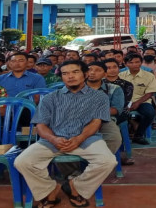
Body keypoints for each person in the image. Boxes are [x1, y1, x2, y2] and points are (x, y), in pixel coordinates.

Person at [14, 60, 116, 208]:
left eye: (75, 72)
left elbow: (96, 123)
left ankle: (74, 186)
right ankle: (50, 190)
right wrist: (53, 138)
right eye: (65, 73)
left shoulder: (99, 97)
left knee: (108, 161)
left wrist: (80, 138)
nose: (70, 76)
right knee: (22, 161)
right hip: (54, 139)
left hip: (87, 139)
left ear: (85, 74)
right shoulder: (50, 98)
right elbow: (41, 126)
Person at [119, 54, 156, 145]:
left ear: (141, 63)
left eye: (137, 62)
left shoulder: (149, 76)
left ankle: (138, 135)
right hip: (125, 101)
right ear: (125, 64)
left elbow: (150, 92)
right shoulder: (120, 76)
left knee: (150, 113)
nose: (135, 64)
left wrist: (137, 103)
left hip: (142, 101)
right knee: (119, 114)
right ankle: (123, 135)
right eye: (131, 62)